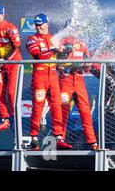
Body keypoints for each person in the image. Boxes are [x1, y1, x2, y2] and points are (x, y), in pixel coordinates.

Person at [25, 13, 72, 150]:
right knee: (38, 107)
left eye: (41, 24)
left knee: (57, 106)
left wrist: (65, 51)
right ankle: (34, 138)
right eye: (36, 24)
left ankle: (58, 137)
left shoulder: (54, 39)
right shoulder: (31, 39)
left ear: (47, 24)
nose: (39, 27)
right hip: (39, 76)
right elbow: (38, 55)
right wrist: (53, 50)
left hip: (53, 77)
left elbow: (60, 58)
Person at [58, 18, 99, 150]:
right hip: (66, 80)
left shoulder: (82, 44)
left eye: (78, 28)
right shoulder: (61, 42)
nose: (76, 30)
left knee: (85, 112)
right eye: (74, 27)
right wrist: (65, 52)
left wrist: (87, 66)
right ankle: (60, 139)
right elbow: (57, 62)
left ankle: (93, 142)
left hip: (79, 80)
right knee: (63, 111)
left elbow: (87, 65)